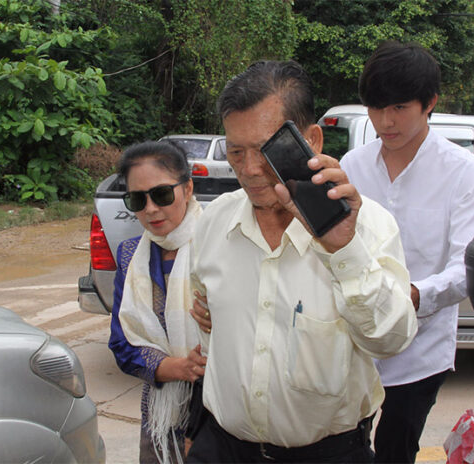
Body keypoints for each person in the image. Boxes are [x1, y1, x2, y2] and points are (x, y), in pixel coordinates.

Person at [186, 60, 418, 463]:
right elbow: (207, 309)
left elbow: (391, 340)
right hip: (221, 448)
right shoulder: (214, 222)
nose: (249, 169)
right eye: (236, 151)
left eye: (264, 149)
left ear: (310, 140)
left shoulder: (369, 226)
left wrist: (344, 251)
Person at [339, 41, 474, 463]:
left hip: (419, 350)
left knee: (395, 449)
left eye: (399, 108)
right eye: (375, 108)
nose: (385, 121)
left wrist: (409, 296)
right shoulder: (353, 165)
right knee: (345, 446)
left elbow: (468, 266)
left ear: (430, 103)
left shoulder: (465, 174)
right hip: (352, 343)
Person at [108, 141, 207, 464]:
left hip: (219, 419)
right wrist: (175, 367)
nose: (150, 209)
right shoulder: (129, 256)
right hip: (159, 422)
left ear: (187, 188)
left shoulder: (218, 245)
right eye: (137, 199)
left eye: (162, 194)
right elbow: (122, 342)